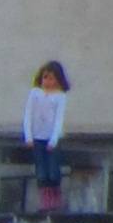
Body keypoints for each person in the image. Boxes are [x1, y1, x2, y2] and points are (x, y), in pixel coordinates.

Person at [21, 60, 71, 208]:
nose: (47, 82)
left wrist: (53, 140)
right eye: (45, 78)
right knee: (41, 171)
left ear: (58, 80)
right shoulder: (35, 94)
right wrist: (28, 136)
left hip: (51, 140)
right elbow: (28, 115)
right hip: (37, 138)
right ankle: (45, 199)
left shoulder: (60, 97)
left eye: (51, 78)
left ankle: (55, 196)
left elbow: (58, 120)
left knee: (53, 171)